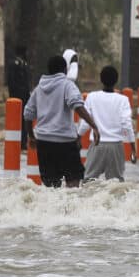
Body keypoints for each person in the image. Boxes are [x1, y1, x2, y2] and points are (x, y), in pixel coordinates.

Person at [24, 55, 101, 188]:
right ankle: (70, 208)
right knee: (73, 181)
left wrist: (31, 136)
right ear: (65, 69)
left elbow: (28, 114)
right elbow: (77, 105)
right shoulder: (67, 85)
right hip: (65, 142)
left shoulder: (39, 88)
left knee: (50, 184)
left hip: (44, 142)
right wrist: (93, 125)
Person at [79, 66, 136, 181]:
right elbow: (127, 125)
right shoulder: (123, 100)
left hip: (96, 145)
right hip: (116, 147)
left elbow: (86, 123)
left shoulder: (92, 97)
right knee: (116, 185)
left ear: (101, 79)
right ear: (116, 80)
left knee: (88, 182)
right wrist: (133, 148)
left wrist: (78, 137)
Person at [6, 44, 32, 149]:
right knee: (17, 119)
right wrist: (15, 95)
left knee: (24, 119)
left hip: (25, 96)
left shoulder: (24, 64)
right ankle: (18, 142)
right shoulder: (14, 64)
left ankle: (23, 142)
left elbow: (26, 82)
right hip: (17, 97)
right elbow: (11, 81)